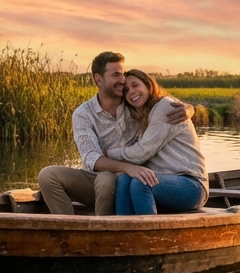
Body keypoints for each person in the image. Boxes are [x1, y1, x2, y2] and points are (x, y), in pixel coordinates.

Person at [37, 52, 192, 215]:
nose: (123, 80)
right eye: (116, 75)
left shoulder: (134, 103)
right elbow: (91, 158)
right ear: (98, 79)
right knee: (47, 175)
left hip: (131, 182)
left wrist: (188, 109)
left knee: (107, 180)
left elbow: (160, 101)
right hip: (98, 180)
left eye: (123, 74)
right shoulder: (83, 114)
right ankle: (68, 229)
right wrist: (128, 167)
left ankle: (103, 233)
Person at [106, 69, 208, 215]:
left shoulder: (166, 107)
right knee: (124, 180)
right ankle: (125, 233)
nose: (131, 92)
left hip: (192, 185)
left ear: (148, 84)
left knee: (141, 183)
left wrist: (107, 154)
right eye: (126, 90)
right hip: (165, 182)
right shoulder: (143, 114)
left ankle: (150, 235)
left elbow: (141, 152)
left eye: (135, 85)